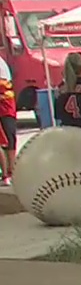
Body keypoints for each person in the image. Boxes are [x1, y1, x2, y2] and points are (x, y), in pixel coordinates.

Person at [0, 55, 16, 187]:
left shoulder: (1, 65)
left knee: (9, 140)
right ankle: (6, 173)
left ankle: (11, 172)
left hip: (5, 108)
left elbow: (4, 87)